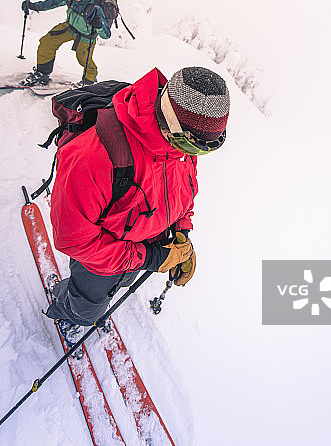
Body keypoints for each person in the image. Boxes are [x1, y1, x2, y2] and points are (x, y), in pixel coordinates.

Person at [45, 65, 230, 343]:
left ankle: (82, 304)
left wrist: (182, 232)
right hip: (101, 257)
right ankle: (67, 311)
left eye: (204, 148)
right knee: (87, 304)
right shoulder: (93, 156)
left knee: (119, 283)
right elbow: (73, 240)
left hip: (142, 247)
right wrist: (151, 258)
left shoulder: (181, 146)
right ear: (168, 119)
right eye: (190, 145)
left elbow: (182, 191)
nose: (192, 155)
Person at [21, 0, 111, 86]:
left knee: (83, 60)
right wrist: (34, 6)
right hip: (70, 27)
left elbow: (106, 35)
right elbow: (53, 2)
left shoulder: (95, 8)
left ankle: (89, 81)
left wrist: (99, 25)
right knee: (47, 42)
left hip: (86, 36)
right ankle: (42, 74)